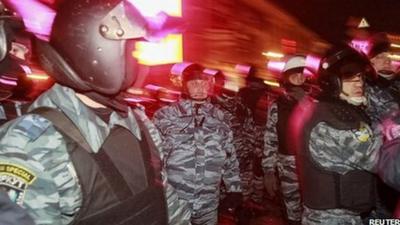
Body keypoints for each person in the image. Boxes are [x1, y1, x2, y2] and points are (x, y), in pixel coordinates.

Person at [0, 0, 190, 224]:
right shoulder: (32, 144)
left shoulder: (139, 123)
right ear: (95, 50)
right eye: (130, 51)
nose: (137, 62)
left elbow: (166, 201)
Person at [295, 45, 383, 225]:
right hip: (332, 218)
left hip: (347, 215)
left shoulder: (338, 110)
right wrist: (389, 128)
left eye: (360, 77)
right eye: (350, 77)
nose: (359, 83)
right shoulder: (332, 122)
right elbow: (379, 159)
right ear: (332, 81)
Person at [153, 63, 242, 225]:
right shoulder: (165, 116)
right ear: (185, 86)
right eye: (194, 83)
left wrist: (234, 188)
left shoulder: (220, 118)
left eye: (204, 83)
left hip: (208, 200)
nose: (200, 88)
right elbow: (153, 157)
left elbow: (230, 155)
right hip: (175, 199)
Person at [263, 55, 309, 225]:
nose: (299, 79)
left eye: (302, 75)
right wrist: (268, 171)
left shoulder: (316, 103)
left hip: (311, 164)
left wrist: (305, 102)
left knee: (312, 210)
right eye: (294, 75)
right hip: (287, 164)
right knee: (292, 210)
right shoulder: (278, 105)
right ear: (286, 78)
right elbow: (270, 138)